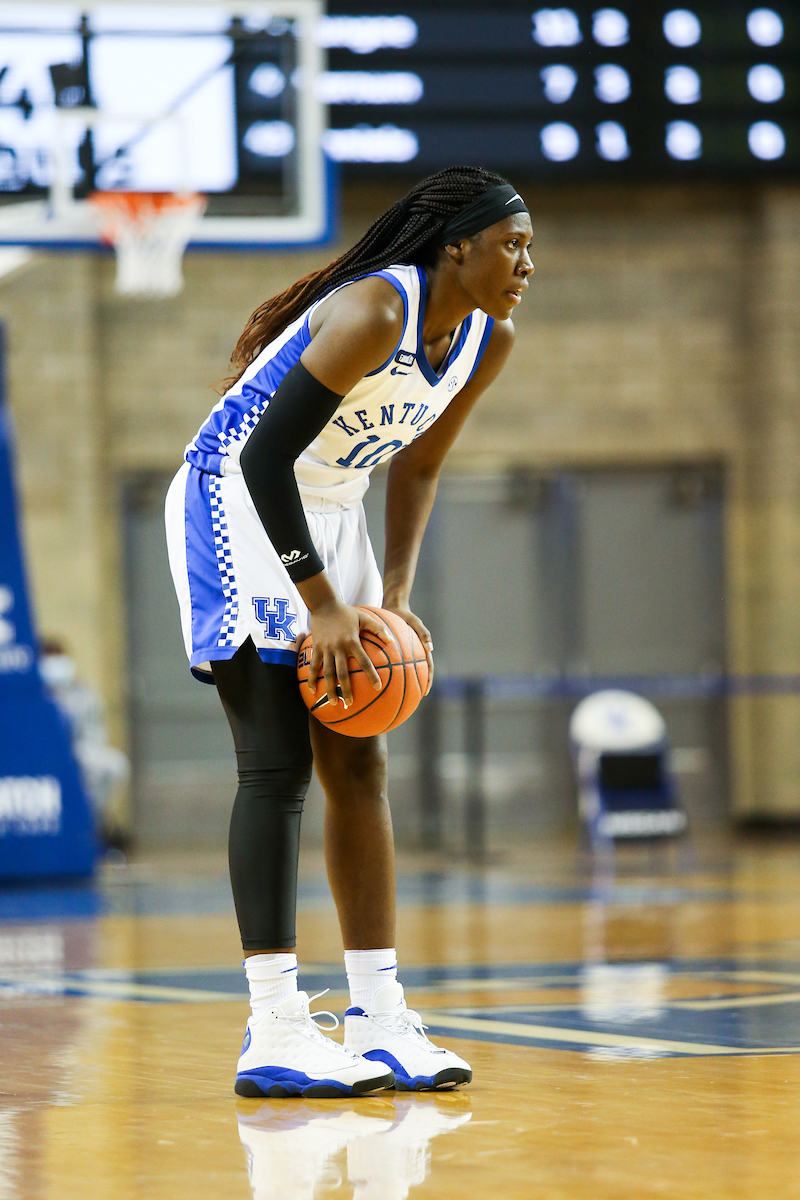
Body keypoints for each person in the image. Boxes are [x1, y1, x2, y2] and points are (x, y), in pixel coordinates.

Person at [165, 165, 533, 1097]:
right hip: (237, 502)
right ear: (457, 245)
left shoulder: (488, 340)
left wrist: (392, 594)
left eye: (530, 249)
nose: (526, 264)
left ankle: (377, 1013)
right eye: (512, 244)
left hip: (335, 508)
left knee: (359, 761)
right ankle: (276, 1026)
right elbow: (257, 459)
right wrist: (322, 603)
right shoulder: (375, 311)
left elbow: (418, 468)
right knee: (277, 763)